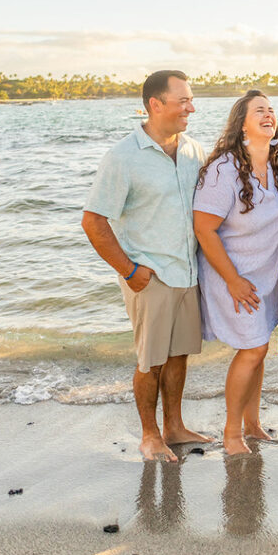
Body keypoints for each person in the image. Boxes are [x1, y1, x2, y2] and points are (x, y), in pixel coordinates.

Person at [81, 70, 211, 463]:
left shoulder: (194, 151)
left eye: (191, 99)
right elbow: (93, 221)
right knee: (149, 359)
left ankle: (174, 426)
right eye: (183, 100)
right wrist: (129, 270)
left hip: (188, 272)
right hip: (148, 276)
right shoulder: (123, 157)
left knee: (178, 356)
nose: (191, 107)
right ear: (155, 105)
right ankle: (150, 435)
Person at [193, 90, 278, 456]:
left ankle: (252, 424)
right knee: (252, 348)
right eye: (259, 111)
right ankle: (232, 433)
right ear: (241, 123)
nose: (269, 114)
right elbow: (204, 229)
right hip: (231, 273)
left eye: (271, 110)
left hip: (267, 275)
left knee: (260, 347)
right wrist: (233, 281)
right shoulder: (224, 169)